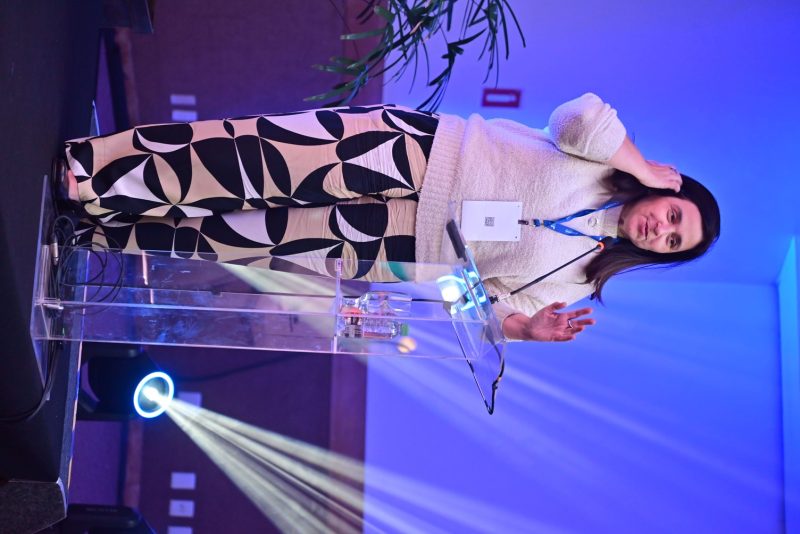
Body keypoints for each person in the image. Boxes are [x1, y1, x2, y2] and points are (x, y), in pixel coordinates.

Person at [56, 94, 721, 342]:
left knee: (241, 236)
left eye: (672, 241)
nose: (660, 230)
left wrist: (521, 327)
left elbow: (482, 300)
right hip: (415, 155)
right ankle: (98, 173)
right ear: (668, 187)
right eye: (673, 214)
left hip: (399, 248)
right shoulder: (601, 159)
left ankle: (98, 228)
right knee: (255, 160)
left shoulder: (579, 282)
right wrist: (638, 163)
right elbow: (578, 115)